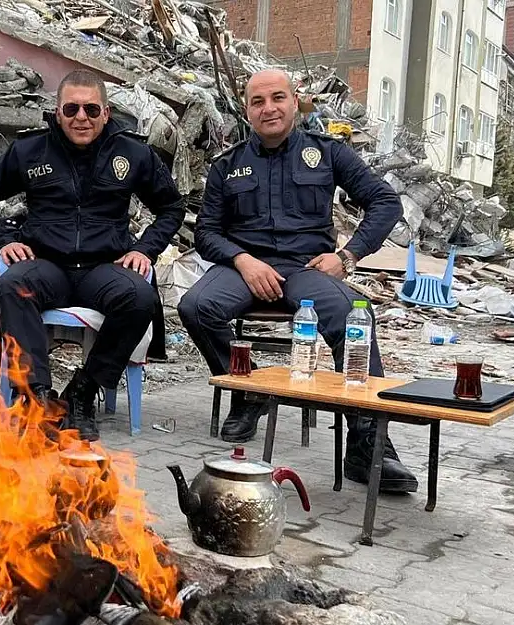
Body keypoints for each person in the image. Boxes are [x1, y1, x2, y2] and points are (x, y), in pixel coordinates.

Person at [177, 69, 418, 493]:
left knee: (351, 317)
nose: (268, 108)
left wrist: (348, 256)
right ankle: (249, 390)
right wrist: (243, 260)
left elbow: (385, 201)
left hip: (307, 270)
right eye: (258, 101)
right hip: (245, 269)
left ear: (294, 101)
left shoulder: (328, 153)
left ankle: (368, 443)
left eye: (277, 98)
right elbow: (206, 232)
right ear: (246, 108)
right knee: (195, 306)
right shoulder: (227, 165)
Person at [0, 69, 186, 442]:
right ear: (58, 111)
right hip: (48, 265)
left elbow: (171, 207)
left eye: (91, 109)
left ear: (106, 112)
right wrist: (2, 241)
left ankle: (82, 392)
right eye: (72, 108)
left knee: (140, 298)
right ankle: (37, 398)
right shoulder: (29, 151)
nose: (82, 117)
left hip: (104, 266)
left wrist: (145, 249)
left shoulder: (133, 153)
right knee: (12, 287)